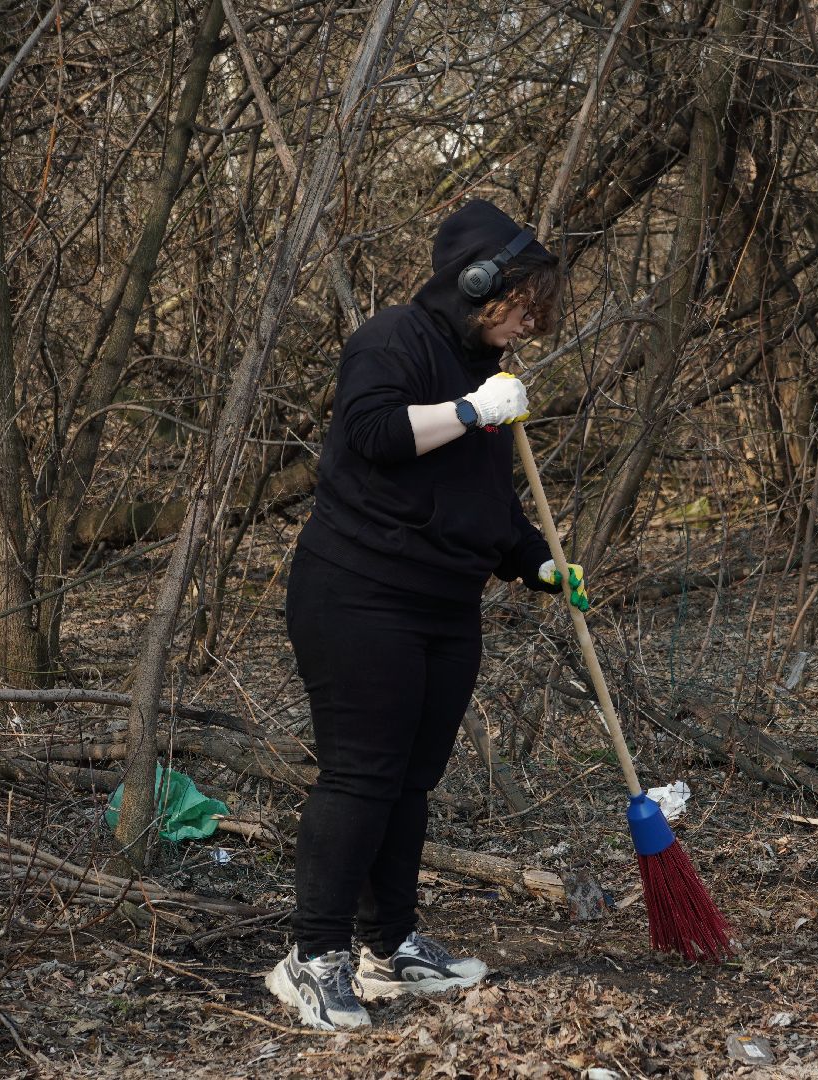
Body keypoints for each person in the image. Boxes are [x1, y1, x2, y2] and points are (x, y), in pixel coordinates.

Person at [265, 199, 590, 1030]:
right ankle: (312, 957)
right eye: (517, 308)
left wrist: (540, 563)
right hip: (359, 593)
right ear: (476, 284)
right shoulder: (391, 342)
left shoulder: (488, 373)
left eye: (532, 315)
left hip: (447, 606)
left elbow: (485, 502)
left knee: (412, 780)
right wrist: (476, 410)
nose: (524, 326)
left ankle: (391, 945)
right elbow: (373, 432)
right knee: (361, 775)